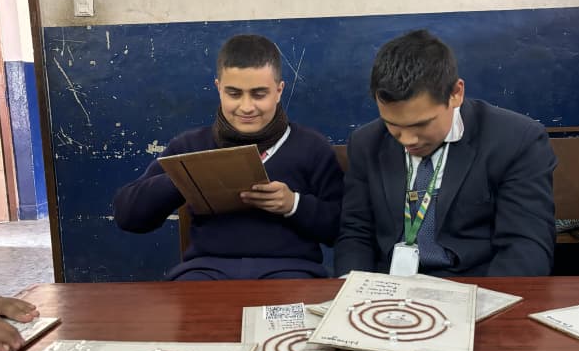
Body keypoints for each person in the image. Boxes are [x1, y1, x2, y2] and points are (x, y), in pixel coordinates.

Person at [114, 34, 344, 280]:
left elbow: (341, 228)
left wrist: (294, 205)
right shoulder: (191, 146)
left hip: (291, 271)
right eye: (234, 93)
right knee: (195, 313)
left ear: (279, 91)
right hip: (206, 271)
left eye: (259, 94)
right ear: (218, 88)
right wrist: (185, 177)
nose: (246, 107)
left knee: (296, 314)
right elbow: (129, 217)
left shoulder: (312, 147)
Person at [334, 29, 556, 278]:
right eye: (393, 124)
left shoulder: (515, 140)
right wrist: (351, 290)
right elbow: (356, 233)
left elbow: (525, 246)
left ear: (455, 93)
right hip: (389, 289)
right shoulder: (366, 143)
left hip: (476, 286)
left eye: (421, 125)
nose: (407, 140)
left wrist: (492, 304)